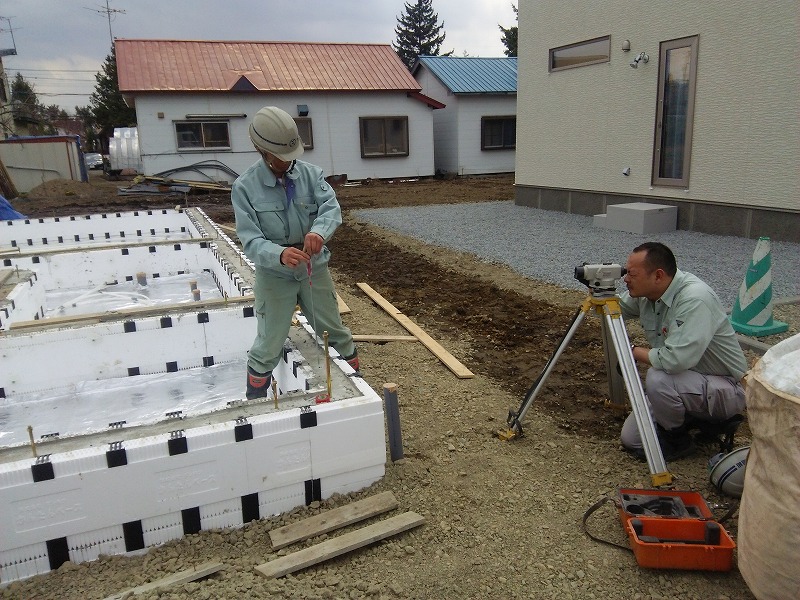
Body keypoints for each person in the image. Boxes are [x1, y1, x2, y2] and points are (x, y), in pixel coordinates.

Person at [231, 106, 358, 400]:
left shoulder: (312, 176)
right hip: (275, 275)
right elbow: (249, 239)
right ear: (261, 150)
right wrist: (279, 254)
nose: (289, 161)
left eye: (292, 154)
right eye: (281, 156)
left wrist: (318, 232)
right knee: (269, 342)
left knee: (333, 331)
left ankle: (355, 388)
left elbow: (331, 209)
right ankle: (257, 402)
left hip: (314, 269)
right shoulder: (245, 188)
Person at [618, 242, 747, 460]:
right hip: (684, 382)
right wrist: (598, 288)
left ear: (658, 276)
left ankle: (677, 440)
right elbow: (613, 308)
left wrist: (632, 351)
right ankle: (686, 417)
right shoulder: (647, 294)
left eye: (632, 274)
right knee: (632, 439)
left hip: (724, 388)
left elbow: (675, 360)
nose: (625, 279)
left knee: (658, 378)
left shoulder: (694, 298)